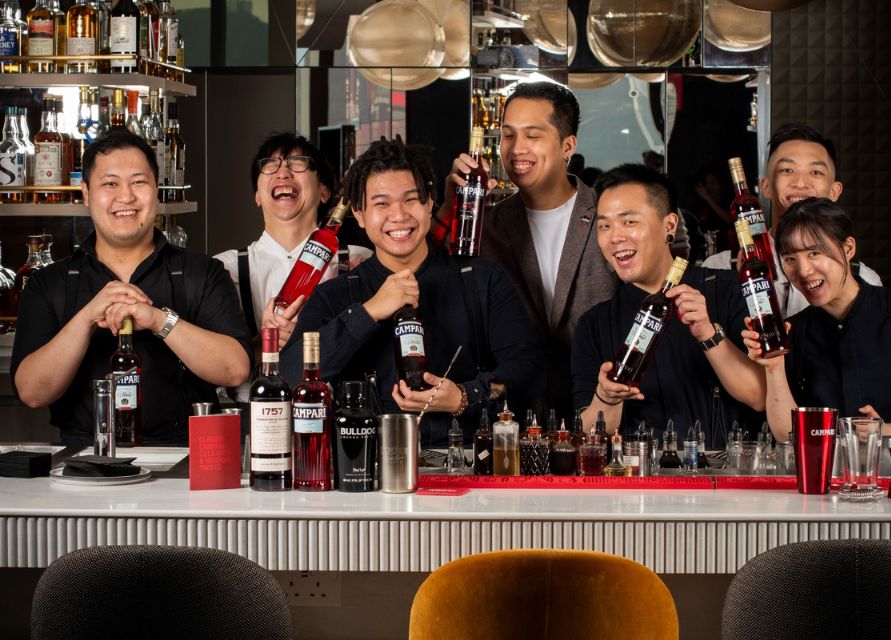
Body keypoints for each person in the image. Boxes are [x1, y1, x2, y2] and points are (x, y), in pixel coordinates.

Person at [281, 137, 545, 446]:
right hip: (368, 470)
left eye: (411, 199)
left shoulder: (482, 279)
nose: (399, 215)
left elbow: (530, 369)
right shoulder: (335, 295)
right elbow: (289, 376)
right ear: (360, 214)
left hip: (471, 464)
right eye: (381, 203)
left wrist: (464, 396)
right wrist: (369, 312)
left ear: (430, 202)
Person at [10, 130, 253, 444]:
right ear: (85, 192)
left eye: (139, 182)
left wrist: (158, 320)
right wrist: (85, 317)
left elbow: (235, 370)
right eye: (110, 183)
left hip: (184, 458)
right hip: (82, 460)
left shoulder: (202, 273)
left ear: (156, 189)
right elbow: (31, 392)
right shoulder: (49, 283)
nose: (125, 197)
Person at [444, 81, 619, 423]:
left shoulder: (607, 216)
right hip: (512, 417)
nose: (516, 149)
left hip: (602, 410)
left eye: (532, 135)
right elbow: (440, 284)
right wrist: (449, 208)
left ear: (568, 145)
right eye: (508, 135)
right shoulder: (487, 224)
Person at [571, 164, 765, 444]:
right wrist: (607, 397)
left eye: (629, 222)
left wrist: (710, 335)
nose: (615, 237)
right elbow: (587, 434)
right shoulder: (595, 324)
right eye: (604, 226)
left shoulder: (725, 289)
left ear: (669, 225)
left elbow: (760, 397)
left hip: (722, 480)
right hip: (637, 481)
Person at [743, 197, 891, 444]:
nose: (803, 271)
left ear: (848, 249)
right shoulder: (794, 331)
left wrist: (887, 433)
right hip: (826, 477)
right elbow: (786, 435)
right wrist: (773, 367)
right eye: (790, 258)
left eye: (815, 253)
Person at [214, 132, 371, 353]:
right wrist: (261, 344)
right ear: (257, 196)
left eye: (298, 164)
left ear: (324, 192)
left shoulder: (360, 262)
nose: (283, 173)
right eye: (270, 166)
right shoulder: (223, 270)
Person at [703, 123, 882, 316]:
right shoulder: (718, 269)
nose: (800, 183)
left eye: (815, 172)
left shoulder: (863, 280)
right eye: (787, 170)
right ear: (766, 187)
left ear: (834, 191)